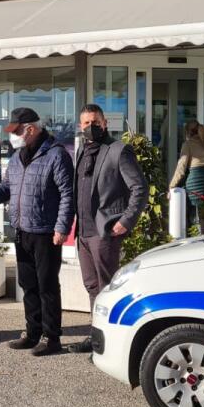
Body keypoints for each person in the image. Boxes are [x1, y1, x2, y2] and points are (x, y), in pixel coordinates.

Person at [0, 108, 75, 356]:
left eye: (16, 131)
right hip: (22, 229)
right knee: (28, 284)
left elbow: (67, 194)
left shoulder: (56, 155)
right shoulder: (18, 158)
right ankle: (32, 332)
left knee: (47, 285)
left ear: (30, 129)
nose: (13, 137)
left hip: (46, 231)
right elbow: (8, 188)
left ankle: (52, 338)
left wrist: (62, 227)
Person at [68, 104, 148, 354]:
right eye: (86, 123)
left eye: (95, 121)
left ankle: (110, 344)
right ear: (80, 126)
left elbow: (139, 188)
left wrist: (126, 220)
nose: (91, 126)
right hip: (83, 231)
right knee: (92, 287)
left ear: (104, 123)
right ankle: (96, 337)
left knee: (106, 288)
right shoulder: (82, 150)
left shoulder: (118, 150)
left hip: (105, 231)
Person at [169, 120, 204, 235]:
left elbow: (181, 168)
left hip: (195, 185)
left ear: (188, 132)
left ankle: (198, 241)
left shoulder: (188, 145)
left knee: (191, 216)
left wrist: (172, 186)